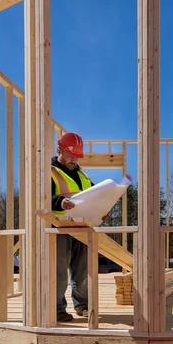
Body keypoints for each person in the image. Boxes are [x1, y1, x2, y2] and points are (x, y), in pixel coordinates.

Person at [51, 132, 108, 322]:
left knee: (83, 270)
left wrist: (101, 210)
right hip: (59, 227)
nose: (73, 160)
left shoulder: (82, 175)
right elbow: (41, 199)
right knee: (59, 272)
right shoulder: (49, 172)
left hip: (82, 226)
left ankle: (82, 305)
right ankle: (57, 309)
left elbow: (94, 195)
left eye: (76, 157)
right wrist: (60, 202)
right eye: (69, 155)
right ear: (59, 151)